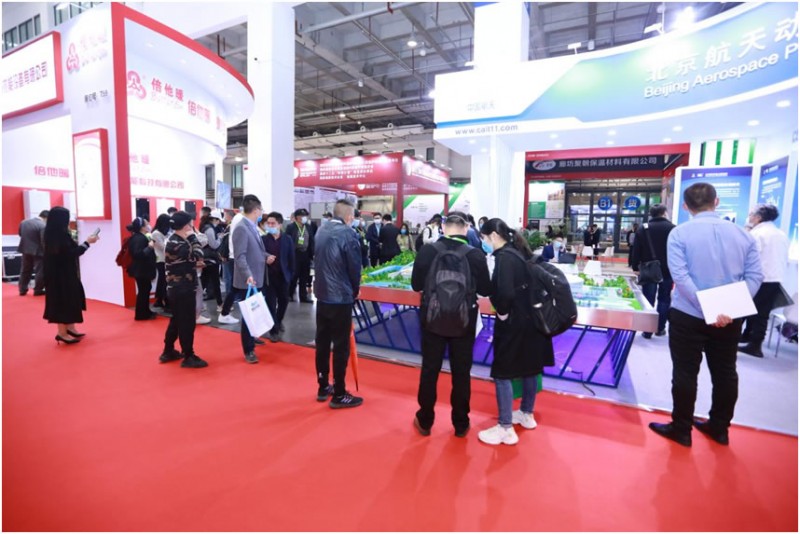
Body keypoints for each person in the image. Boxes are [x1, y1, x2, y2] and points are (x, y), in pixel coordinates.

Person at [649, 183, 763, 447]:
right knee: (725, 372)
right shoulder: (744, 235)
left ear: (685, 206)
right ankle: (720, 428)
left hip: (688, 314)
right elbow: (755, 277)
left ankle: (681, 429)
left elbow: (680, 277)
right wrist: (730, 309)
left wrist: (708, 307)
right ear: (717, 201)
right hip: (729, 319)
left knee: (685, 372)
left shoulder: (680, 234)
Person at [410, 212, 492, 437]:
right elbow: (485, 289)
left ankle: (425, 420)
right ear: (466, 229)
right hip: (464, 321)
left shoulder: (428, 251)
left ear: (444, 228)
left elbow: (416, 285)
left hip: (432, 320)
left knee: (430, 370)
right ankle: (461, 423)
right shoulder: (475, 254)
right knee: (461, 373)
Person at [477, 218, 553, 445]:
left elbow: (506, 293)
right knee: (529, 368)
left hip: (515, 324)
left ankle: (505, 427)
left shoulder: (504, 258)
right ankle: (527, 414)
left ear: (493, 236)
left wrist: (502, 313)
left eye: (484, 238)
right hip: (532, 322)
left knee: (502, 373)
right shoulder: (519, 252)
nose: (484, 242)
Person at [313, 199, 363, 408]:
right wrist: (355, 289)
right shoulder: (348, 234)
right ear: (349, 217)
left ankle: (323, 385)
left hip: (322, 294)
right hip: (340, 297)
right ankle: (340, 393)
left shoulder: (321, 230)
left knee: (322, 343)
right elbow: (354, 267)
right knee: (341, 346)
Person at [739, 204, 790, 358]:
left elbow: (748, 256)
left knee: (742, 310)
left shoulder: (757, 234)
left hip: (758, 278)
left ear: (758, 217)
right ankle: (753, 342)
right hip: (775, 278)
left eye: (751, 214)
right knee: (762, 313)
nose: (749, 217)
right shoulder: (781, 234)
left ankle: (737, 341)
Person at [43, 207, 99, 344]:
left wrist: (86, 244)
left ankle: (70, 327)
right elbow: (69, 254)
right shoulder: (56, 236)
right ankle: (62, 332)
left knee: (72, 298)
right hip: (60, 277)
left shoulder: (58, 234)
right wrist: (87, 243)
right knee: (63, 301)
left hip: (66, 274)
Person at [160, 211, 208, 368]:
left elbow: (182, 261)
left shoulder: (173, 240)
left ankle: (168, 350)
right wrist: (193, 238)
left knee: (176, 320)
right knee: (187, 322)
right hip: (183, 288)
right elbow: (199, 253)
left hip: (176, 287)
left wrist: (192, 264)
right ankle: (188, 355)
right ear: (187, 225)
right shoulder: (181, 243)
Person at [232, 195, 274, 364]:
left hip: (257, 276)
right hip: (248, 280)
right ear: (256, 210)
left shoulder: (252, 226)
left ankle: (252, 338)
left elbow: (256, 250)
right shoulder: (241, 228)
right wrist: (248, 275)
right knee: (248, 314)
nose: (261, 213)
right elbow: (240, 256)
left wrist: (266, 256)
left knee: (255, 311)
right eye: (261, 210)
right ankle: (248, 349)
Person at [631, 205, 675, 338]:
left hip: (649, 269)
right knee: (664, 299)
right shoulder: (673, 228)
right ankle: (660, 328)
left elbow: (636, 249)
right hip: (668, 269)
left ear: (651, 214)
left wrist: (635, 267)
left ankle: (647, 330)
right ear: (664, 213)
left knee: (648, 299)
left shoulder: (643, 228)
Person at [260, 212, 295, 343]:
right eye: (268, 223)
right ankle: (273, 330)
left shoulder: (287, 239)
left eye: (273, 223)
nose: (270, 225)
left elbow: (291, 258)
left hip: (283, 277)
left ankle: (278, 321)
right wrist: (265, 259)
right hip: (269, 277)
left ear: (280, 224)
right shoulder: (263, 239)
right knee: (270, 303)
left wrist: (291, 275)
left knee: (284, 301)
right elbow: (258, 255)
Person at [127, 217, 157, 321]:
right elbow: (138, 254)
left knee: (145, 290)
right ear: (142, 227)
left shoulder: (139, 237)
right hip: (141, 270)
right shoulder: (139, 238)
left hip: (142, 269)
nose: (149, 225)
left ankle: (145, 311)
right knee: (143, 291)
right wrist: (149, 247)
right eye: (147, 224)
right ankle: (141, 314)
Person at [218, 209, 245, 325]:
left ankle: (225, 312)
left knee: (235, 286)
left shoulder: (237, 221)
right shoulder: (240, 221)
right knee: (234, 285)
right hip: (238, 259)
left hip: (235, 258)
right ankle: (225, 312)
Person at [286, 208, 314, 303]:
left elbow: (311, 240)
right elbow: (288, 241)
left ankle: (303, 297)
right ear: (297, 217)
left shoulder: (308, 227)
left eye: (305, 216)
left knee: (304, 276)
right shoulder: (291, 227)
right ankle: (289, 294)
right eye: (302, 216)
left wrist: (312, 253)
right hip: (295, 254)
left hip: (305, 254)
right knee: (294, 275)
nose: (304, 218)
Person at [17, 210, 48, 296]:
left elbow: (20, 234)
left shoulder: (24, 222)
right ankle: (38, 289)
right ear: (46, 218)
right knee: (40, 271)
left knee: (25, 270)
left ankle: (22, 289)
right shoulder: (43, 225)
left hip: (25, 249)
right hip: (38, 251)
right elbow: (43, 240)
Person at [199, 209, 224, 312]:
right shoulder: (210, 229)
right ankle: (220, 304)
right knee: (214, 282)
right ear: (214, 219)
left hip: (206, 257)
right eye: (218, 220)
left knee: (204, 282)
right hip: (211, 258)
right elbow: (213, 245)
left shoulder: (204, 227)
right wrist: (220, 238)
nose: (218, 223)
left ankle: (197, 305)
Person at [151, 214, 171, 310]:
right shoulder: (156, 234)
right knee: (163, 281)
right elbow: (163, 247)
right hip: (160, 260)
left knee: (163, 281)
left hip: (164, 260)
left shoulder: (164, 232)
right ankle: (163, 301)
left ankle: (160, 300)